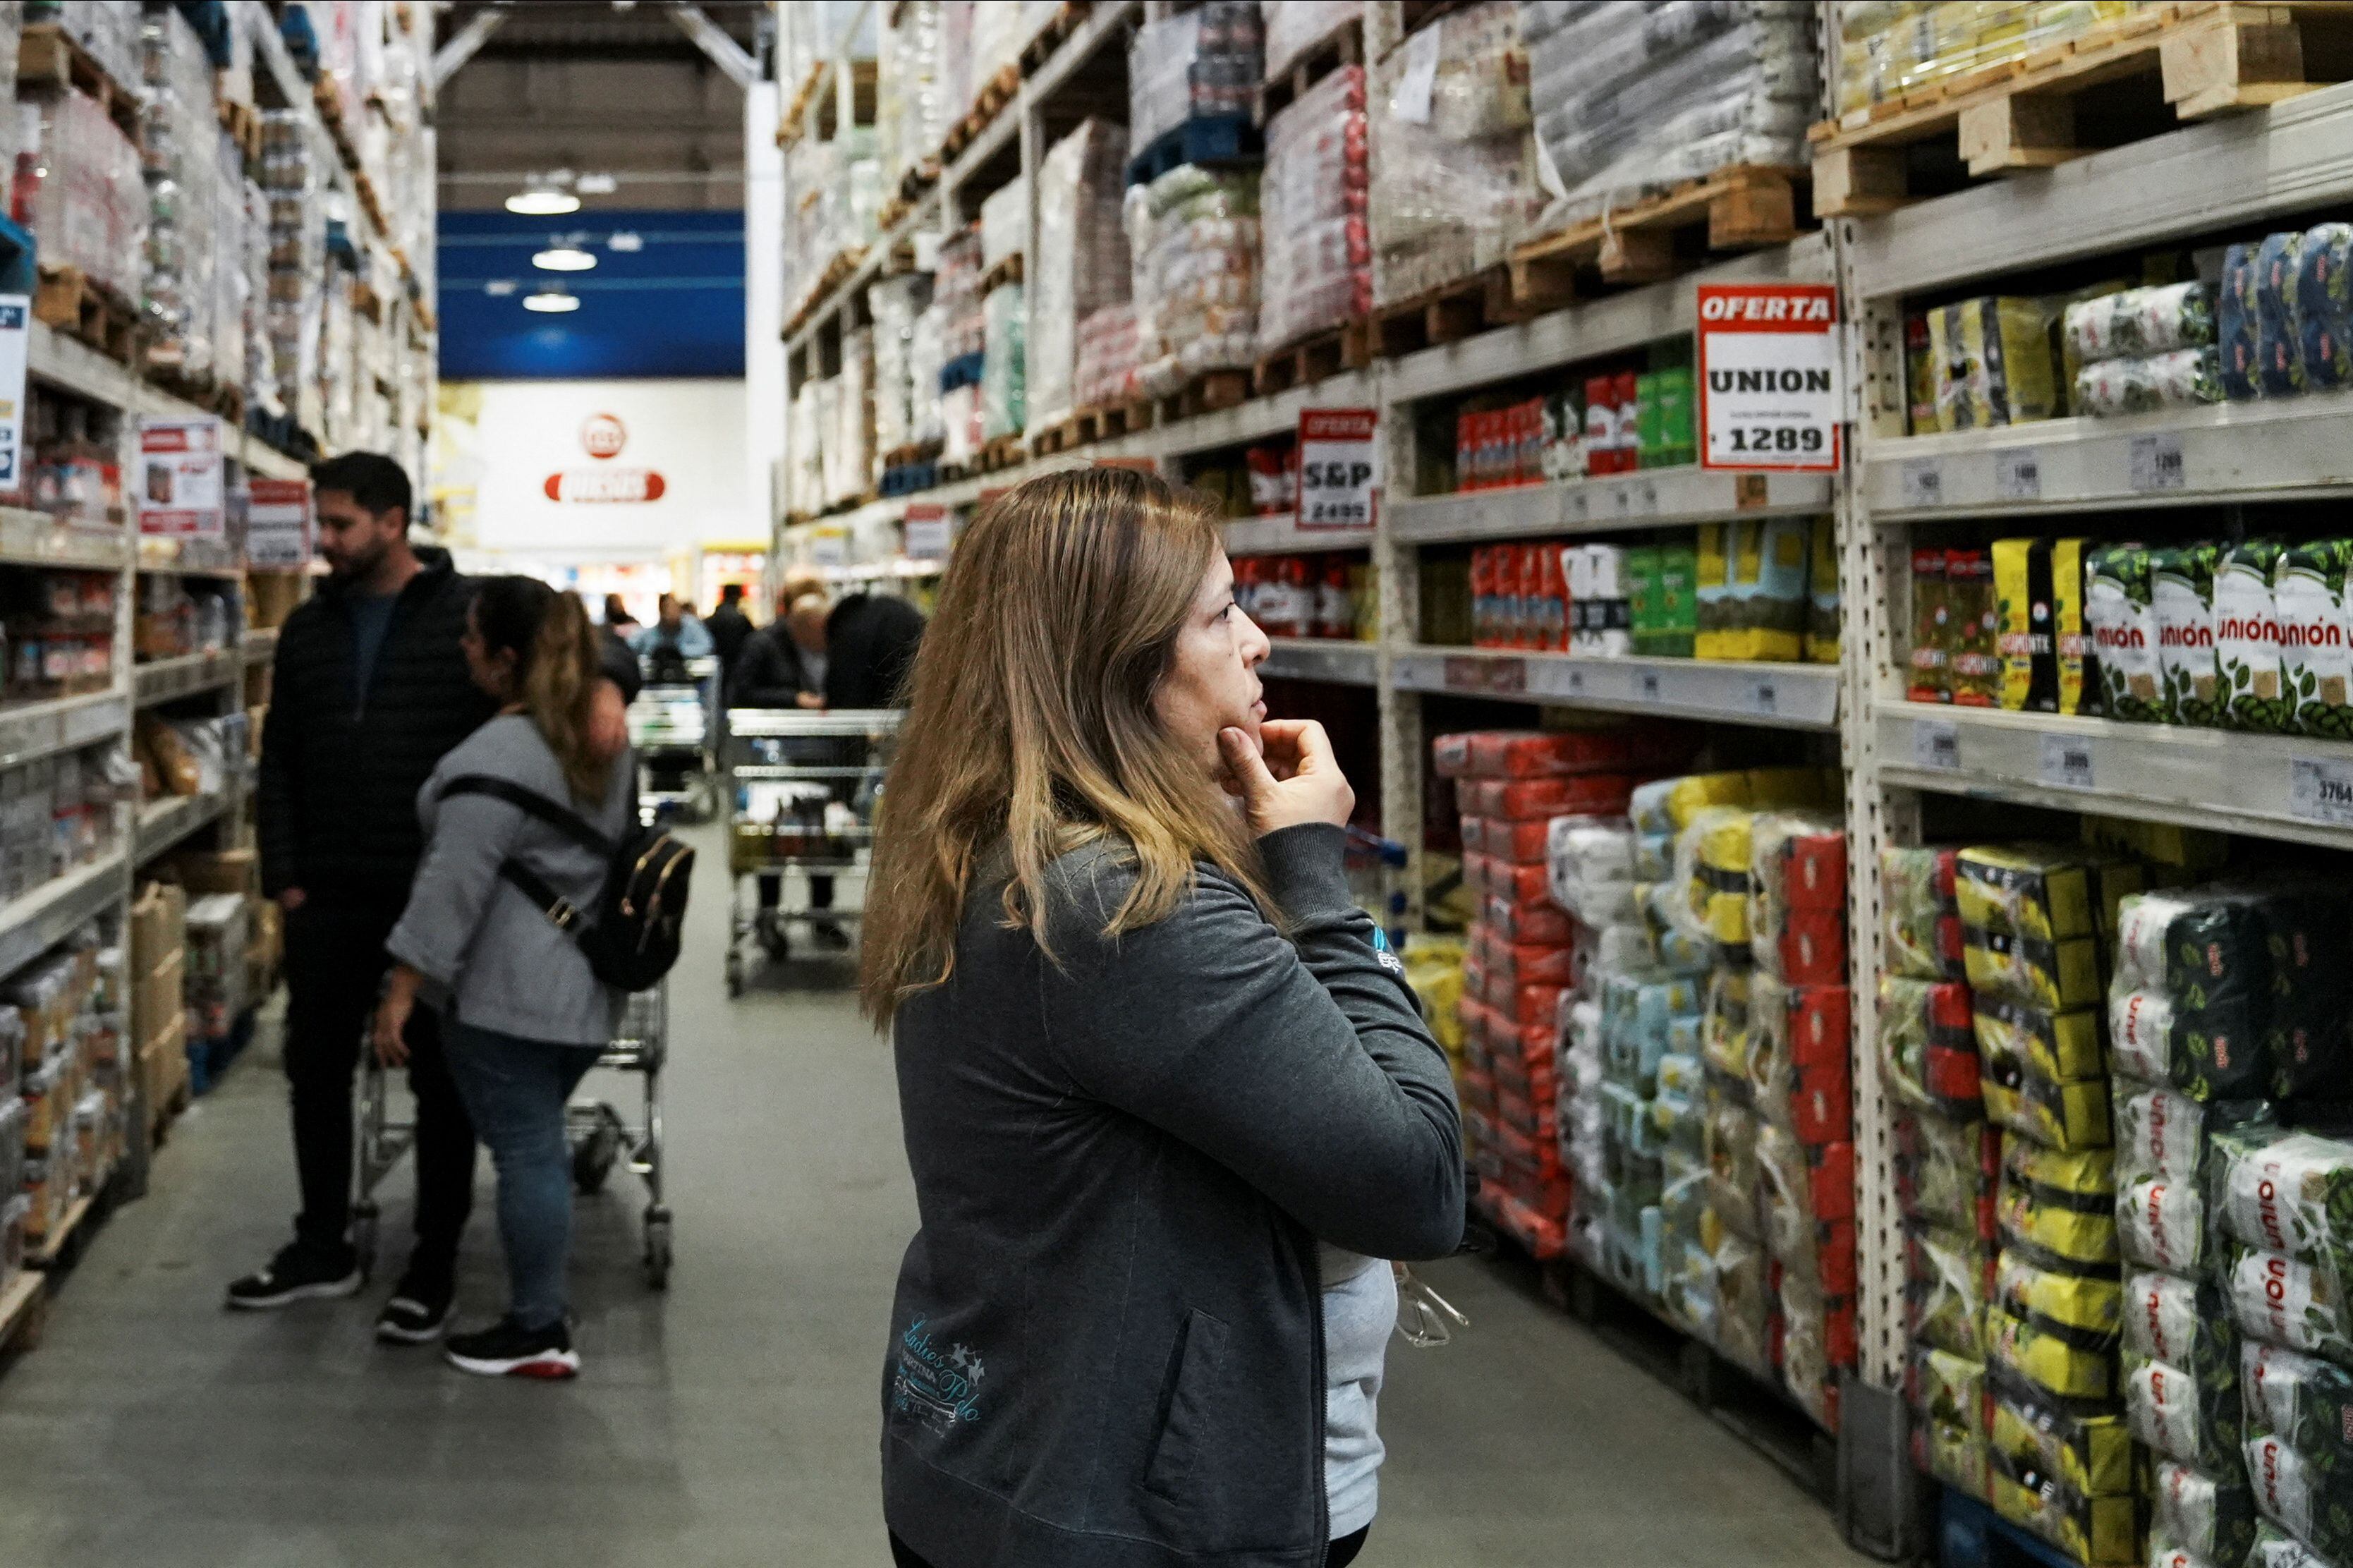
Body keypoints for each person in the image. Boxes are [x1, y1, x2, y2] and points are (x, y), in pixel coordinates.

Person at [861, 468, 1462, 1568]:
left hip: (1021, 1458)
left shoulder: (1009, 849)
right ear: (1120, 662)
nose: (1259, 641)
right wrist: (1322, 882)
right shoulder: (1122, 903)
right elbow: (1417, 1179)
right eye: (1220, 611)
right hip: (1126, 1511)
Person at [238, 451, 637, 1342]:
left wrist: (611, 684)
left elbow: (576, 635)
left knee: (444, 1084)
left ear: (393, 520)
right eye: (322, 524)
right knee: (314, 1069)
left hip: (440, 893)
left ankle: (432, 1264)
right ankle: (321, 1242)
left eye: (340, 524)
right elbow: (282, 762)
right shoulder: (308, 628)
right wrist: (286, 877)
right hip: (328, 895)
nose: (325, 541)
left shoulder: (469, 609)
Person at [373, 578, 633, 1380]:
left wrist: (402, 991)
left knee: (527, 1154)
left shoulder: (491, 756)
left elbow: (451, 888)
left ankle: (537, 1326)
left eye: (474, 637)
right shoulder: (601, 737)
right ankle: (539, 1311)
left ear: (507, 656)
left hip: (506, 993)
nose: (463, 648)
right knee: (536, 1145)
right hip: (583, 984)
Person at [705, 583, 755, 678]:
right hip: (736, 664)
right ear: (738, 597)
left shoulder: (713, 619)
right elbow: (751, 641)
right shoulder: (741, 619)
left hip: (716, 663)